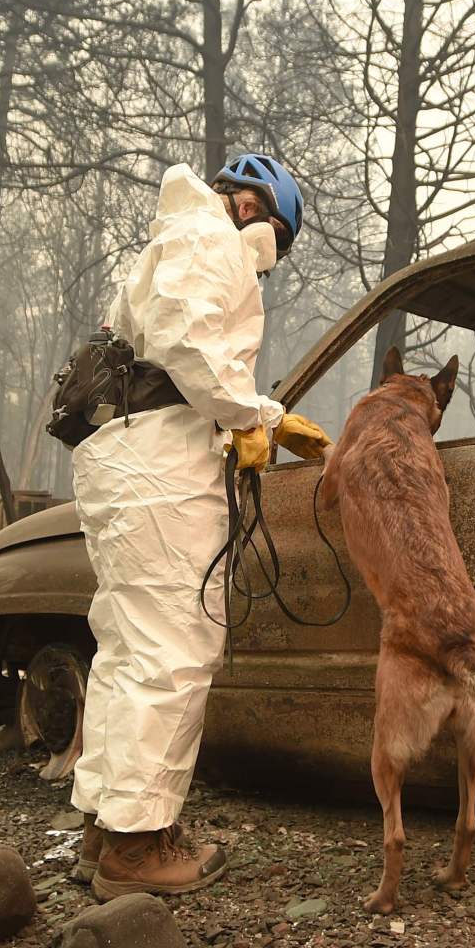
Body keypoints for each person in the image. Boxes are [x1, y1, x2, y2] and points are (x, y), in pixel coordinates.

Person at [70, 152, 331, 899]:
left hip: (127, 456)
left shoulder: (175, 236)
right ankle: (138, 843)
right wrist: (251, 415)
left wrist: (270, 421)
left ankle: (104, 823)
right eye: (275, 243)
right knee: (176, 646)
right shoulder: (211, 238)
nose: (269, 262)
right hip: (157, 466)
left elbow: (174, 352)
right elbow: (190, 343)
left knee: (126, 648)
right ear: (258, 212)